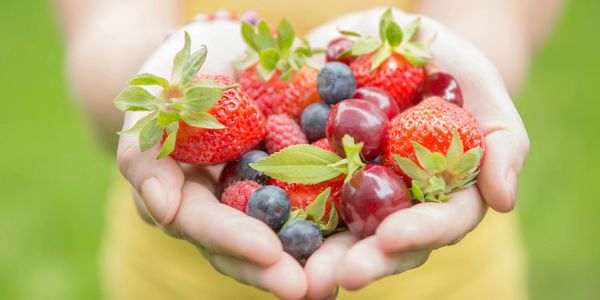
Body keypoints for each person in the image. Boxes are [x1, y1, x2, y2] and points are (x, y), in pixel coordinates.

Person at [56, 0, 564, 299]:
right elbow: (100, 42)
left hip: (450, 283)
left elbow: (499, 21)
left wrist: (459, 59)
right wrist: (163, 74)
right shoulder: (258, 120)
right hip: (169, 283)